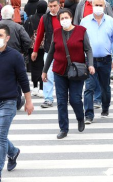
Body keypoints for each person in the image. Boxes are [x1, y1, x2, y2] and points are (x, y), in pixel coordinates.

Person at [41, 9, 94, 139]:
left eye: (66, 17)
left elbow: (88, 49)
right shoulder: (57, 32)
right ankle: (63, 128)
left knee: (75, 99)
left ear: (71, 18)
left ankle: (80, 117)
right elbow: (51, 53)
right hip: (59, 71)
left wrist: (91, 64)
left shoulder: (81, 31)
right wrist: (44, 70)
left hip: (77, 71)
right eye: (61, 18)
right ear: (59, 21)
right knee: (61, 101)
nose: (64, 20)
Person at [0, 24, 35, 177]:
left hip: (8, 101)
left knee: (0, 137)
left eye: (1, 35)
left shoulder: (15, 56)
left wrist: (28, 101)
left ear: (7, 38)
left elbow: (23, 80)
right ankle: (13, 152)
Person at [80, 0, 113, 123]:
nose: (98, 7)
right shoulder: (85, 21)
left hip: (106, 59)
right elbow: (80, 42)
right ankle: (88, 114)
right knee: (89, 87)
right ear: (92, 6)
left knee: (105, 86)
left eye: (100, 5)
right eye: (95, 5)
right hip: (89, 60)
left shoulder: (111, 22)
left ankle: (105, 107)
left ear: (104, 6)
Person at [30, 0, 61, 107]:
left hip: (64, 51)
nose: (52, 8)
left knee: (65, 75)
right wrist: (35, 50)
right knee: (47, 74)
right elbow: (39, 35)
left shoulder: (64, 16)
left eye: (54, 6)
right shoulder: (45, 17)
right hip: (49, 50)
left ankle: (66, 96)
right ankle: (48, 99)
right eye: (50, 6)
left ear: (59, 5)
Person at [24, 1, 47, 97]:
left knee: (34, 66)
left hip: (33, 46)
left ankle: (34, 87)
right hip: (45, 45)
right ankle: (42, 88)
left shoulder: (31, 18)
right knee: (43, 66)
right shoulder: (46, 18)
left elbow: (26, 31)